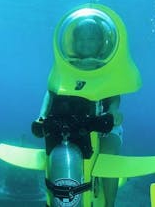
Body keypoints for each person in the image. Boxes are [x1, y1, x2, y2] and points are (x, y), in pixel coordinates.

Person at [36, 18, 124, 207]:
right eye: (81, 38)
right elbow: (50, 92)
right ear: (73, 42)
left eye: (91, 38)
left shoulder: (106, 67)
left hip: (102, 124)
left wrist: (114, 112)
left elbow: (115, 95)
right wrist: (42, 116)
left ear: (101, 43)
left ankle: (110, 203)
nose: (86, 42)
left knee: (109, 154)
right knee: (52, 152)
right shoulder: (66, 66)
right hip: (71, 123)